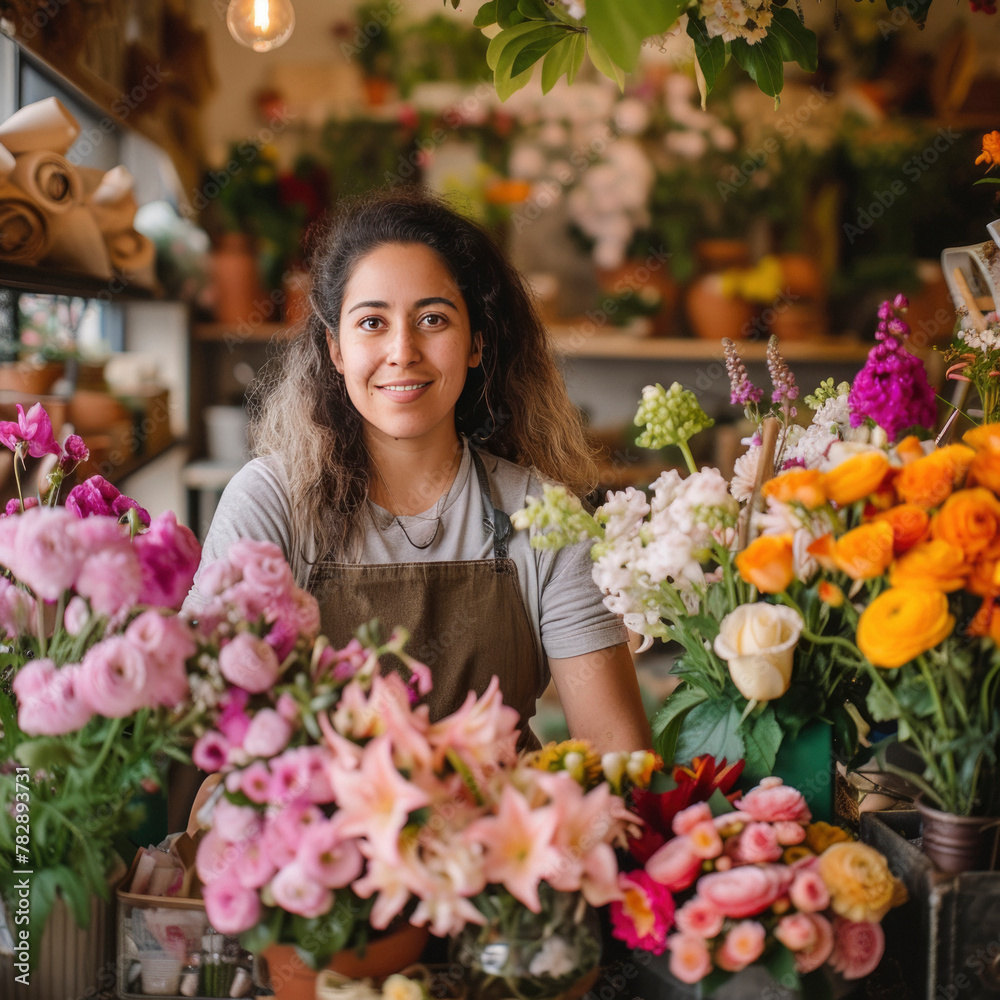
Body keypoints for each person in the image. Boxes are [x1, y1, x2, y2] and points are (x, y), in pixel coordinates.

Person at [185, 187, 650, 754]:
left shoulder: (541, 511)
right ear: (335, 350)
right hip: (316, 837)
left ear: (477, 342)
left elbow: (615, 746)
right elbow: (209, 728)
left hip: (502, 831)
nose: (403, 351)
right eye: (372, 323)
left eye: (432, 319)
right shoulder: (273, 502)